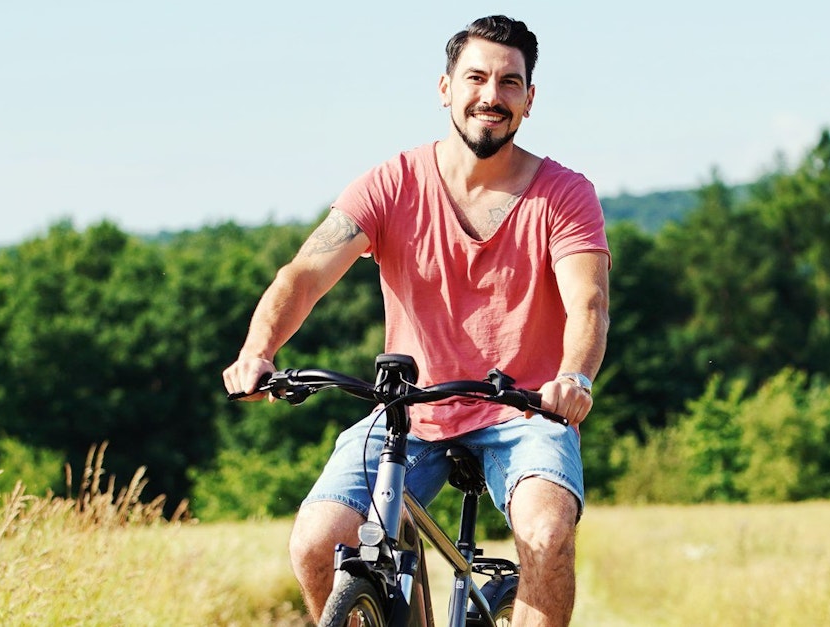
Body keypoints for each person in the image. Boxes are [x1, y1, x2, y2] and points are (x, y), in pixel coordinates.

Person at [219, 15, 608, 626]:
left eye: (509, 82)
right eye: (476, 77)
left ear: (529, 99)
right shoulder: (393, 183)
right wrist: (257, 351)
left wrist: (574, 377)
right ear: (445, 88)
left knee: (546, 533)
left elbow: (588, 302)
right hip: (414, 411)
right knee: (316, 543)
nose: (491, 95)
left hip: (526, 409)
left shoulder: (564, 194)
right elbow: (305, 274)